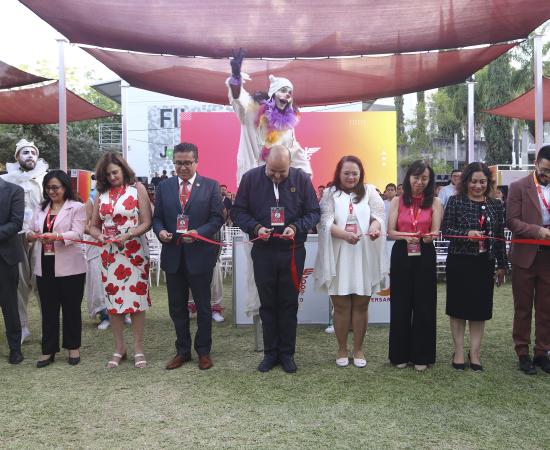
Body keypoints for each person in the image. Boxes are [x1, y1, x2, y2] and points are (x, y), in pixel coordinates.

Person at [231, 145, 320, 373]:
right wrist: (256, 227)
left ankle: (287, 353)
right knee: (267, 303)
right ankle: (270, 353)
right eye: (273, 171)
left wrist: (296, 227)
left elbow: (313, 212)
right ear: (265, 162)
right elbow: (238, 211)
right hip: (263, 251)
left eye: (282, 172)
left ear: (291, 164)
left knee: (289, 303)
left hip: (292, 250)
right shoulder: (250, 179)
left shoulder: (301, 179)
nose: (277, 176)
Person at [153, 142, 224, 371]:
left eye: (187, 163)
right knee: (177, 307)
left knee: (203, 306)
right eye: (178, 163)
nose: (182, 167)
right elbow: (157, 218)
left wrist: (199, 233)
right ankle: (182, 351)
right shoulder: (164, 187)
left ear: (196, 162)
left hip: (200, 255)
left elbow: (217, 218)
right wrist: (160, 232)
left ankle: (203, 351)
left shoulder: (211, 186)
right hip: (173, 254)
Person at [314, 156, 386, 368]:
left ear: (360, 173)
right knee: (341, 305)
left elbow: (379, 215)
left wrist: (375, 227)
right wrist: (345, 235)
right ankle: (342, 348)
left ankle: (358, 348)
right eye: (346, 173)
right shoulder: (330, 193)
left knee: (361, 305)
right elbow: (325, 223)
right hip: (339, 254)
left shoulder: (370, 191)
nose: (351, 177)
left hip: (364, 254)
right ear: (339, 173)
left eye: (355, 173)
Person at [89, 153, 152, 369]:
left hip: (134, 251)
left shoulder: (137, 189)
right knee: (113, 303)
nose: (112, 177)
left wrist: (128, 234)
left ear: (123, 170)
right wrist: (100, 236)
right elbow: (93, 225)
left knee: (137, 301)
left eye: (115, 172)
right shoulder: (101, 193)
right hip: (110, 254)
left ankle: (138, 348)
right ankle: (119, 348)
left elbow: (147, 222)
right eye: (108, 174)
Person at [442, 162, 507, 372]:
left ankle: (475, 353)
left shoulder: (496, 205)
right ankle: (459, 352)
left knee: (480, 310)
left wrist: (502, 265)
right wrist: (466, 234)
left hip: (484, 263)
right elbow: (445, 230)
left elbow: (499, 237)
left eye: (482, 182)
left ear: (488, 182)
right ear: (466, 181)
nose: (478, 186)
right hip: (459, 261)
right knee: (458, 308)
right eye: (473, 181)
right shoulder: (455, 201)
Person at [26, 170, 86, 367]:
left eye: (55, 187)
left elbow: (77, 233)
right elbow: (30, 229)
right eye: (48, 188)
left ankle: (73, 347)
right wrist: (30, 235)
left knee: (71, 308)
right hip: (45, 265)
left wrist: (57, 236)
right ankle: (48, 350)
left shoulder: (77, 207)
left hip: (71, 267)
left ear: (65, 187)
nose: (51, 191)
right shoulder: (40, 207)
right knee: (48, 310)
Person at [387, 160, 442, 371]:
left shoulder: (435, 202)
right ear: (408, 178)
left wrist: (429, 237)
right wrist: (406, 236)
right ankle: (399, 354)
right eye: (416, 178)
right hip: (402, 252)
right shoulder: (397, 201)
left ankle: (422, 355)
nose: (420, 182)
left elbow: (435, 231)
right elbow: (391, 232)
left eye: (424, 178)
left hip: (425, 252)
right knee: (400, 304)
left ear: (430, 180)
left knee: (424, 304)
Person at [507, 145, 550, 375]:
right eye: (545, 170)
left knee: (546, 308)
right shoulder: (518, 187)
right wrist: (537, 231)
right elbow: (512, 221)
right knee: (522, 307)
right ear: (536, 164)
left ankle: (542, 352)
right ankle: (522, 352)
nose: (548, 175)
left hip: (548, 259)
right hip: (525, 257)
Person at [1, 139, 48, 343]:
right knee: (18, 284)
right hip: (15, 237)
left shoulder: (45, 178)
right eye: (25, 152)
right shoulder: (7, 180)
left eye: (33, 152)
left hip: (40, 237)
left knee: (42, 283)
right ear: (17, 157)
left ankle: (48, 327)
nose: (30, 155)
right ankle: (21, 327)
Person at [0, 177, 25, 364]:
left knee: (9, 305)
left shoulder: (14, 190)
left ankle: (15, 349)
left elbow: (16, 223)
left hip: (5, 258)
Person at [84, 186, 109, 330]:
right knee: (99, 281)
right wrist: (99, 233)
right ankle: (105, 316)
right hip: (96, 245)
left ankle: (122, 313)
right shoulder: (93, 198)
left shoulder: (123, 194)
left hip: (117, 244)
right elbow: (84, 225)